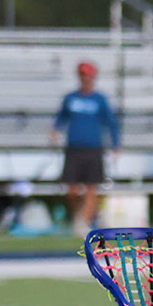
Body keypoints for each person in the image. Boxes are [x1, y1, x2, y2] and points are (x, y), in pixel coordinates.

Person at [52, 60, 119, 235]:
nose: (86, 79)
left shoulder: (100, 100)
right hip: (74, 149)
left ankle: (83, 223)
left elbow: (111, 123)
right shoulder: (71, 98)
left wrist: (115, 145)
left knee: (91, 188)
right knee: (71, 190)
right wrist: (55, 130)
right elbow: (61, 118)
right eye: (83, 75)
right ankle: (84, 215)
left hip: (93, 149)